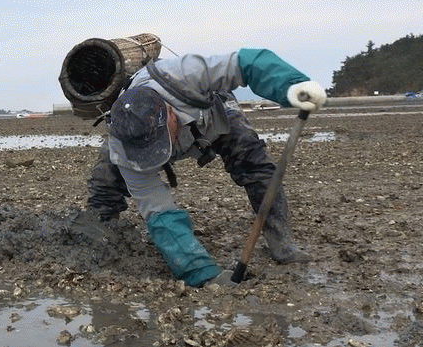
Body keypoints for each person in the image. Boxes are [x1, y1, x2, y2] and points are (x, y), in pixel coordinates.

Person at [86, 48, 326, 287]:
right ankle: (100, 242)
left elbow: (247, 62)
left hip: (213, 115)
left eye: (159, 143)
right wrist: (202, 274)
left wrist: (291, 84)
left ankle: (282, 242)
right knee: (104, 181)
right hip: (135, 137)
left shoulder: (185, 74)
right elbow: (158, 209)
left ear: (169, 112)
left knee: (254, 163)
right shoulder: (122, 148)